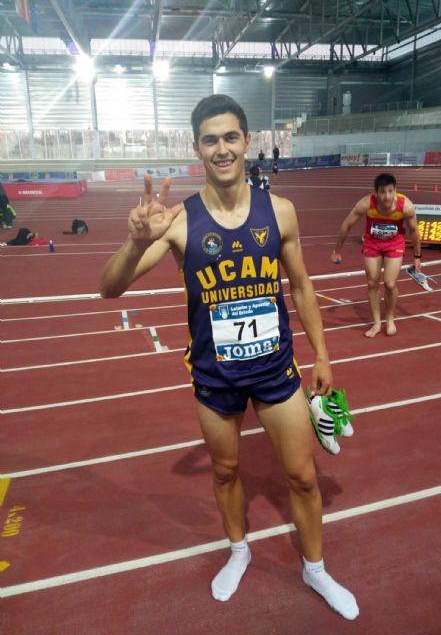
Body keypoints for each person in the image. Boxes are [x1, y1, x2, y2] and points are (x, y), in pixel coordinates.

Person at [100, 94, 359, 620]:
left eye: (231, 137)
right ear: (197, 148)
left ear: (247, 142)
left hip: (275, 370)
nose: (222, 149)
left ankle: (315, 569)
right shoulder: (178, 221)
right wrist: (133, 243)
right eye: (211, 139)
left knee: (303, 476)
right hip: (215, 375)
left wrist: (323, 355)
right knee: (225, 471)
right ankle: (239, 551)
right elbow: (110, 289)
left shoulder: (279, 211)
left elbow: (303, 287)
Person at [331, 173, 421, 338]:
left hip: (394, 244)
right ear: (376, 193)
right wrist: (337, 251)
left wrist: (417, 256)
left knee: (389, 283)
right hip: (372, 243)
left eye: (390, 191)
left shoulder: (406, 206)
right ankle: (377, 323)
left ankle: (390, 319)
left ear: (395, 190)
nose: (386, 197)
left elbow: (414, 230)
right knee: (372, 282)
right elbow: (347, 224)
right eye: (382, 192)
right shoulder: (366, 204)